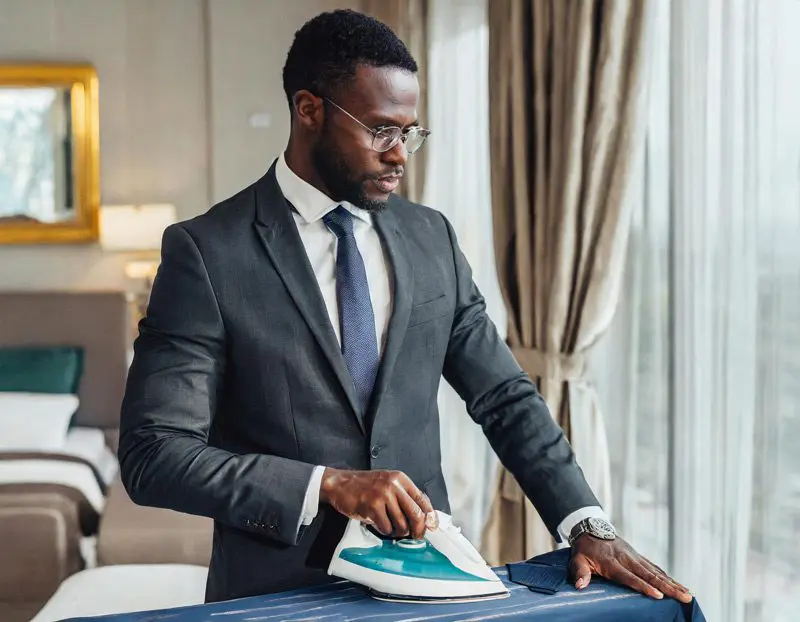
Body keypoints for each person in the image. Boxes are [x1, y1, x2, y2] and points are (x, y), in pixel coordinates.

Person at [118, 8, 691, 606]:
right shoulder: (207, 253)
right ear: (308, 109)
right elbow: (154, 452)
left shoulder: (431, 238)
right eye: (381, 130)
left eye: (410, 132)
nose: (400, 155)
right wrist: (327, 485)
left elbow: (504, 397)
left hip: (428, 590)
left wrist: (585, 523)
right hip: (276, 596)